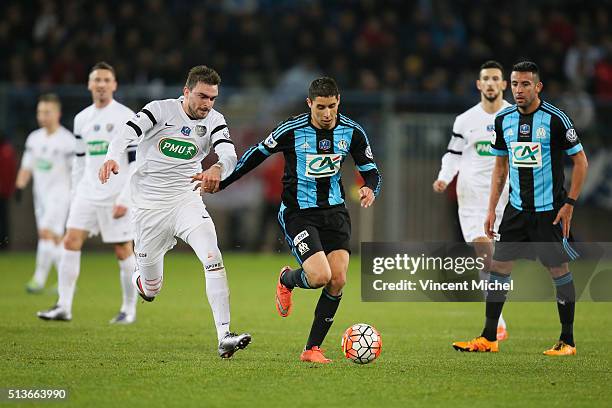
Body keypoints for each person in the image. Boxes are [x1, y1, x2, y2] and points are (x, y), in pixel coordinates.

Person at [211, 77, 382, 363]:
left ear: (338, 101)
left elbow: (371, 170)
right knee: (319, 277)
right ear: (309, 104)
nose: (327, 114)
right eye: (321, 107)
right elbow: (255, 155)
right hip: (298, 213)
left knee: (337, 280)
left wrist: (369, 188)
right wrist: (224, 182)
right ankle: (287, 278)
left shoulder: (352, 131)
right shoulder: (292, 129)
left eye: (332, 106)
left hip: (335, 212)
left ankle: (311, 349)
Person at [98, 65, 251, 358]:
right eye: (202, 96)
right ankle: (139, 279)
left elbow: (229, 154)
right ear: (186, 92)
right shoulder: (159, 110)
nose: (207, 104)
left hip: (186, 201)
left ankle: (224, 336)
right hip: (148, 208)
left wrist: (218, 167)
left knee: (213, 258)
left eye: (212, 98)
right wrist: (112, 158)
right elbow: (127, 132)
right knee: (151, 289)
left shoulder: (215, 120)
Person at [452, 61, 589, 356]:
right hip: (515, 209)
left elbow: (581, 162)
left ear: (538, 87)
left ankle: (568, 341)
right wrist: (491, 210)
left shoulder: (555, 120)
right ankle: (489, 337)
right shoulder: (504, 120)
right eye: (515, 84)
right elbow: (500, 167)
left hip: (549, 210)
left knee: (558, 271)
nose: (519, 90)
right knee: (498, 268)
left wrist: (570, 203)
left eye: (525, 84)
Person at [37, 62, 138, 325]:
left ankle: (128, 310)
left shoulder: (126, 117)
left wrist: (126, 198)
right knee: (70, 241)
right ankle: (64, 306)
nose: (101, 84)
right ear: (89, 85)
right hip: (87, 193)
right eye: (97, 80)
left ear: (114, 85)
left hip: (116, 193)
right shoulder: (81, 119)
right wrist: (75, 193)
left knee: (123, 249)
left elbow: (136, 162)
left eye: (106, 80)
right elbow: (80, 161)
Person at [433, 61, 511, 340]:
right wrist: (444, 176)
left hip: (505, 198)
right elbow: (453, 154)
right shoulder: (464, 120)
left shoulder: (514, 117)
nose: (490, 83)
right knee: (484, 254)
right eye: (486, 79)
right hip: (471, 198)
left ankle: (496, 318)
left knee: (496, 261)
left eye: (495, 79)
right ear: (479, 85)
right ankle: (498, 321)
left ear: (504, 85)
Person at [15, 94, 74, 293]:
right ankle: (62, 282)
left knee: (48, 234)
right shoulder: (34, 138)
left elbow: (75, 171)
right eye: (40, 112)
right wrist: (19, 185)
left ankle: (41, 280)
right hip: (40, 195)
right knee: (50, 238)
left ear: (58, 113)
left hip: (60, 194)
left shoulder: (67, 141)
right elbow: (26, 166)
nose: (43, 116)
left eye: (47, 112)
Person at [0, 130, 18, 250]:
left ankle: (3, 243)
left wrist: (11, 188)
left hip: (3, 192)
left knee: (3, 219)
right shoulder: (7, 150)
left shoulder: (7, 150)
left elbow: (10, 172)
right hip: (4, 190)